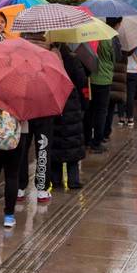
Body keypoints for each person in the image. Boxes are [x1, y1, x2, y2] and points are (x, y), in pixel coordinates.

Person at [17, 32, 56, 202]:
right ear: (42, 34)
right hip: (45, 107)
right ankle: (41, 190)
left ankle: (19, 188)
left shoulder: (18, 53)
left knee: (22, 148)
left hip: (24, 107)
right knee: (43, 148)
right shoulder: (51, 54)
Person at [50, 43, 88, 190]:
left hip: (54, 104)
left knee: (56, 142)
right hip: (71, 104)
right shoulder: (73, 59)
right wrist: (84, 104)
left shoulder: (46, 58)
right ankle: (73, 180)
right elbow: (82, 81)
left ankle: (56, 180)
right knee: (72, 142)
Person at [84, 18, 121, 154]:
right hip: (104, 79)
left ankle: (86, 140)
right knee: (101, 111)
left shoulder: (91, 37)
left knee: (89, 111)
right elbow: (115, 57)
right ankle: (97, 141)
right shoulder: (109, 38)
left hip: (91, 78)